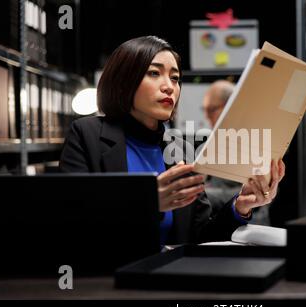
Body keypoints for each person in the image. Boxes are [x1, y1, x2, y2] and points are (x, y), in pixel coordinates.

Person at [59, 36, 285, 246]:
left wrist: (240, 207)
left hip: (171, 278)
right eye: (154, 73)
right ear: (123, 80)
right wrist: (148, 204)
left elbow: (201, 236)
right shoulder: (86, 134)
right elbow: (75, 223)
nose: (169, 86)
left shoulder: (178, 149)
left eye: (175, 78)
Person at [202, 80, 271, 225]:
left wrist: (201, 194)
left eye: (211, 110)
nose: (207, 117)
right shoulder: (218, 138)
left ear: (231, 106)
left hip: (250, 230)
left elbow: (256, 191)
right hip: (225, 225)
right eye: (205, 110)